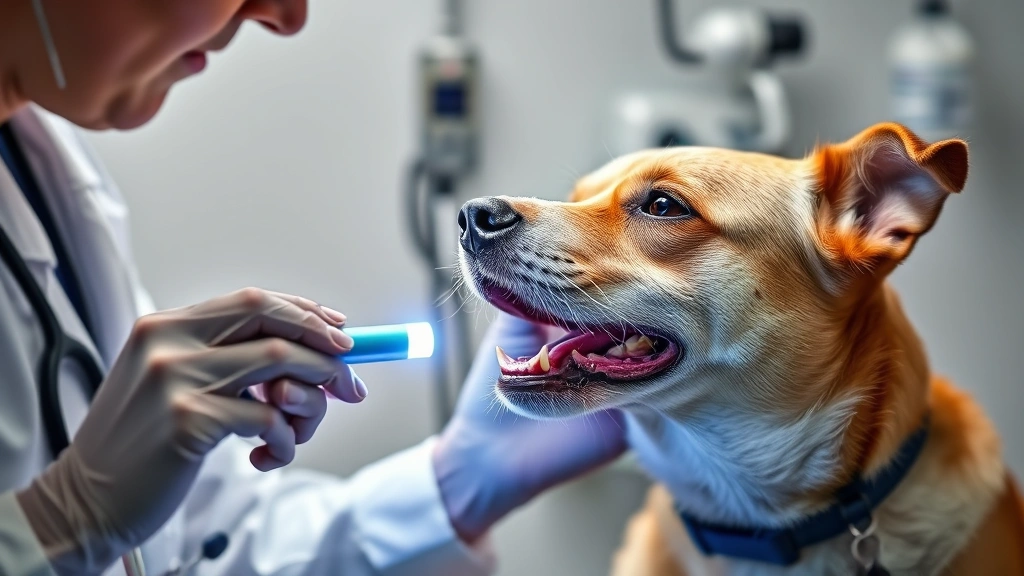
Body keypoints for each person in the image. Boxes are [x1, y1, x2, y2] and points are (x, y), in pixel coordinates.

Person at [0, 1, 627, 575]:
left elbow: (206, 544)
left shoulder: (47, 167)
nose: (286, 14)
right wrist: (60, 523)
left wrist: (459, 478)